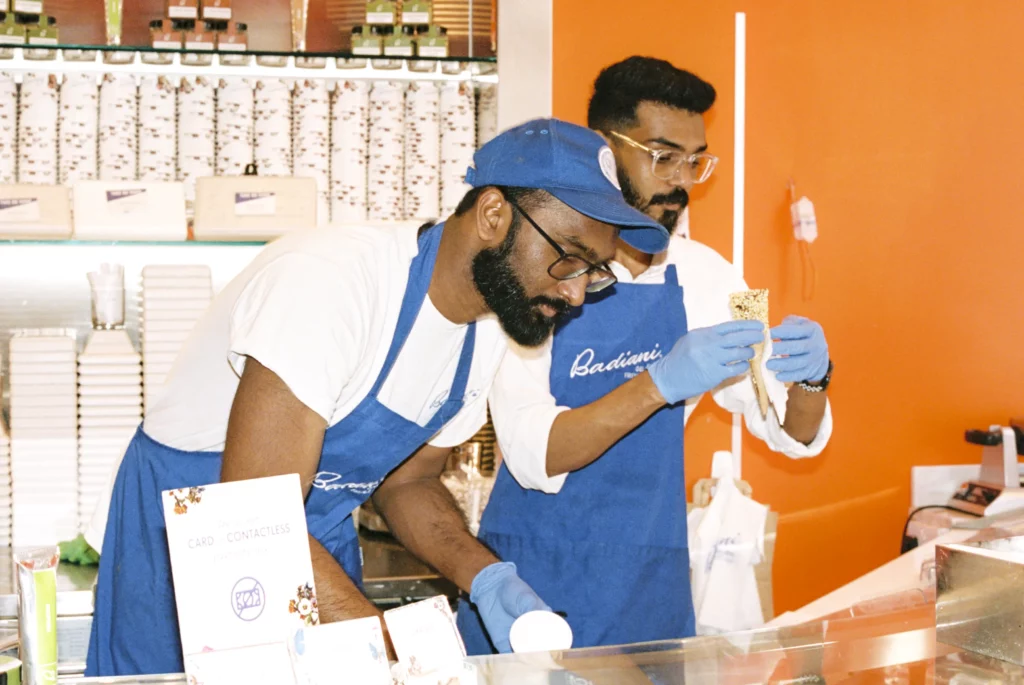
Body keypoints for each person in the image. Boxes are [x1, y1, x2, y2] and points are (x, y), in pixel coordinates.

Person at [84, 118, 673, 676]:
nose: (574, 294)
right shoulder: (331, 283)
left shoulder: (489, 328)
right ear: (493, 214)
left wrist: (488, 577)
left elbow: (407, 483)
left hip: (314, 540)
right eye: (568, 257)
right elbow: (251, 524)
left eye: (593, 272)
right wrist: (395, 654)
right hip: (193, 544)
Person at [456, 57, 834, 653]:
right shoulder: (537, 267)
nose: (682, 179)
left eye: (695, 160)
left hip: (647, 589)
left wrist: (813, 378)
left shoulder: (711, 277)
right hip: (530, 583)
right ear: (604, 150)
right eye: (662, 156)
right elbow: (535, 454)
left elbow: (782, 423)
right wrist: (659, 382)